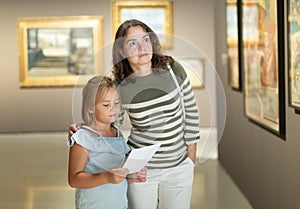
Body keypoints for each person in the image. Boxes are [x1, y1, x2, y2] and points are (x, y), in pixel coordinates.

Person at [69, 19, 200, 209]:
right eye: (133, 43)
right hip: (141, 169)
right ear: (122, 51)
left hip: (179, 167)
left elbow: (191, 114)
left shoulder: (173, 70)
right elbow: (111, 122)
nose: (142, 47)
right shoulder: (120, 83)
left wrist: (189, 162)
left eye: (145, 39)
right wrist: (83, 132)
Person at [67, 75, 146, 209]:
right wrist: (106, 177)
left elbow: (120, 171)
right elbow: (74, 180)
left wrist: (133, 175)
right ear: (90, 108)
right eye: (105, 104)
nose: (113, 108)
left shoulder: (118, 134)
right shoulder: (82, 138)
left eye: (116, 103)